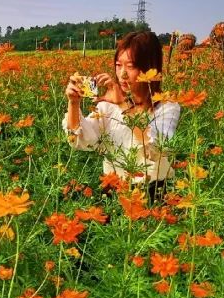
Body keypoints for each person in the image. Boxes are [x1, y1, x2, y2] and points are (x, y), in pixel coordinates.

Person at [62, 31, 181, 204]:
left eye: (131, 66)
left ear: (150, 67)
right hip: (114, 188)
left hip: (153, 193)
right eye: (118, 65)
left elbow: (157, 148)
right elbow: (79, 141)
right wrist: (73, 103)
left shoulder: (167, 107)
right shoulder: (107, 106)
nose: (122, 74)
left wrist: (123, 104)